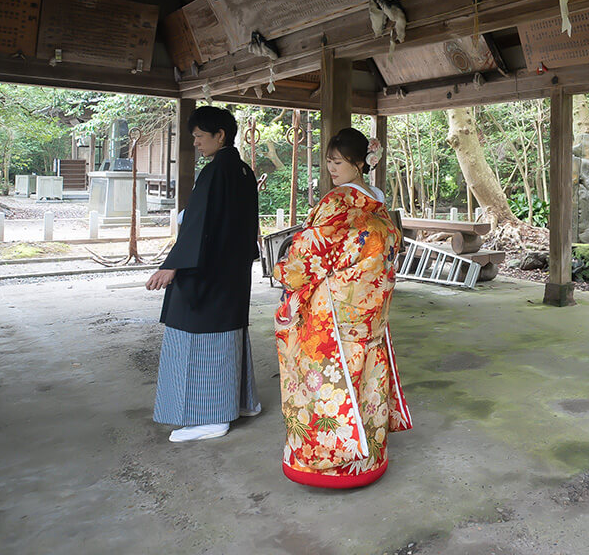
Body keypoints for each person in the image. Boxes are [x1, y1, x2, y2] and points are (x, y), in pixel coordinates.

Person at [272, 127, 410, 487]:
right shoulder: (376, 201)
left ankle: (330, 465)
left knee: (327, 381)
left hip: (335, 311)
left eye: (338, 161)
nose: (331, 168)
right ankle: (369, 459)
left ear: (359, 163)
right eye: (329, 161)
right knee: (366, 380)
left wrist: (285, 270)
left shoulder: (338, 202)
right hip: (369, 310)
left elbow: (312, 250)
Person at [145, 106, 261, 442]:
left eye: (199, 135)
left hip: (207, 274)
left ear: (219, 135)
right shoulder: (242, 171)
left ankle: (211, 417)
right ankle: (240, 403)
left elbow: (198, 224)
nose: (195, 142)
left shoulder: (214, 172)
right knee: (230, 334)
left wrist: (172, 265)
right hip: (232, 272)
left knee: (200, 340)